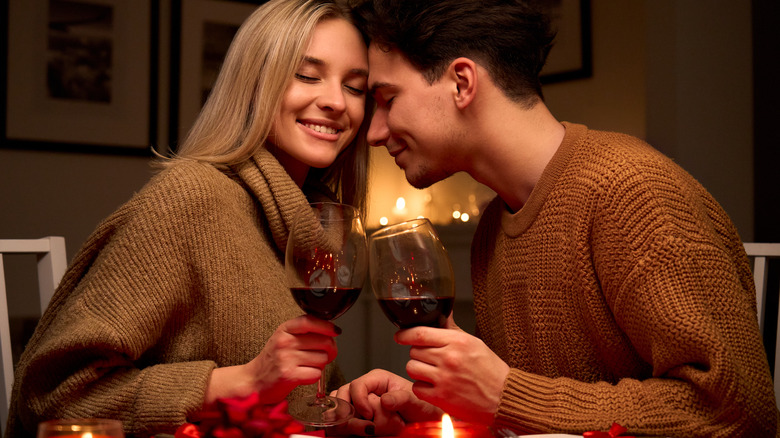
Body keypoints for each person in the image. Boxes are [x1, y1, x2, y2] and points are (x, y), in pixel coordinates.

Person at [333, 0, 778, 436]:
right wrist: (444, 406)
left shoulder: (632, 193)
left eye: (388, 99)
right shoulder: (494, 226)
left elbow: (739, 412)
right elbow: (536, 412)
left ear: (462, 83)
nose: (372, 132)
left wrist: (505, 395)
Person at [6, 0, 371, 436]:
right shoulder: (191, 199)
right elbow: (50, 396)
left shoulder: (308, 221)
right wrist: (240, 381)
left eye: (355, 87)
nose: (335, 101)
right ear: (254, 84)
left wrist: (340, 404)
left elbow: (277, 407)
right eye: (307, 75)